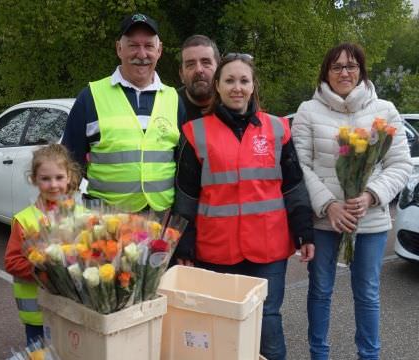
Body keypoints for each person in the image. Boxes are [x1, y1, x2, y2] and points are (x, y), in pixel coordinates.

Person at [174, 53, 315, 360]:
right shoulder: (196, 132)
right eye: (229, 81)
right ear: (217, 87)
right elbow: (186, 195)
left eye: (243, 80)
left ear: (253, 86)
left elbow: (293, 185)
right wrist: (183, 244)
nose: (236, 87)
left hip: (268, 248)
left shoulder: (278, 129)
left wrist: (304, 230)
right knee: (220, 327)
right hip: (216, 251)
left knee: (268, 321)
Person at [291, 43, 412, 360]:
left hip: (368, 221)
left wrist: (372, 194)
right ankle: (319, 354)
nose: (344, 72)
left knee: (368, 293)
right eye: (337, 66)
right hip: (324, 221)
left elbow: (399, 164)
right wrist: (329, 205)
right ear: (326, 72)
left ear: (361, 69)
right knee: (319, 290)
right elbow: (299, 166)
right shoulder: (308, 111)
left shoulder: (384, 110)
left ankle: (369, 355)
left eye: (351, 65)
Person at [62, 13, 186, 212]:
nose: (142, 54)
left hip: (161, 220)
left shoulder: (173, 99)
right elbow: (68, 163)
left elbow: (183, 165)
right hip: (105, 221)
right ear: (119, 48)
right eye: (133, 46)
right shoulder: (90, 96)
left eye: (148, 46)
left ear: (159, 50)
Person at [4, 144, 82, 345]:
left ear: (69, 177)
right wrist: (44, 271)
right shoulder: (25, 220)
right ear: (34, 180)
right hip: (39, 313)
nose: (53, 185)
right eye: (45, 179)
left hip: (75, 310)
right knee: (41, 354)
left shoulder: (82, 216)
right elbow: (12, 262)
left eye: (59, 177)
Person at [178, 35, 220, 119]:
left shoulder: (234, 105)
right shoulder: (168, 107)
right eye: (190, 64)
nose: (199, 70)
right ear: (181, 74)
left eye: (206, 62)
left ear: (219, 69)